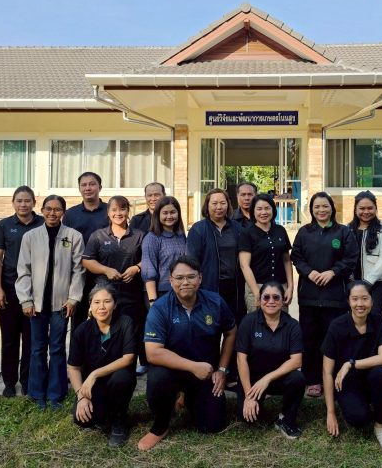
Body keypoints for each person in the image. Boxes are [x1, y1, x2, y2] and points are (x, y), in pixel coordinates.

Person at [139, 256, 236, 451]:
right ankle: (160, 426)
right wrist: (193, 367)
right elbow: (153, 353)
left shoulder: (215, 302)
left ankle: (189, 397)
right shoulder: (160, 308)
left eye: (191, 277)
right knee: (158, 378)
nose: (185, 282)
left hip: (205, 372)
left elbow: (231, 332)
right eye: (179, 278)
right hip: (173, 371)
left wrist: (222, 369)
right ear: (171, 280)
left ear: (200, 278)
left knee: (212, 425)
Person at [16, 195, 85, 410]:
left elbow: (78, 270)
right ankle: (37, 393)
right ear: (42, 210)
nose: (52, 213)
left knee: (57, 348)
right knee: (37, 348)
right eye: (48, 209)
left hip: (61, 305)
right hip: (36, 305)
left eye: (57, 209)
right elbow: (23, 270)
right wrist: (26, 299)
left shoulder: (73, 236)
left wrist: (73, 298)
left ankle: (56, 394)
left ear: (63, 212)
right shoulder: (30, 236)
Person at [290, 191, 357, 397]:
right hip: (309, 296)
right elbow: (296, 257)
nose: (321, 210)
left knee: (334, 339)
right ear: (311, 210)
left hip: (335, 297)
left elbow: (351, 258)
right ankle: (313, 380)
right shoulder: (304, 232)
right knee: (310, 339)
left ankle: (336, 379)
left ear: (332, 208)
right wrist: (309, 272)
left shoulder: (343, 232)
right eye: (317, 206)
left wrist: (333, 272)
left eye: (325, 206)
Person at [321, 281, 382, 455]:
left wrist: (351, 363)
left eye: (365, 298)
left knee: (381, 373)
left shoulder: (379, 320)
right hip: (347, 383)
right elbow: (327, 372)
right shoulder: (337, 326)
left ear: (372, 300)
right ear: (348, 301)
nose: (360, 304)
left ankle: (381, 428)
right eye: (355, 299)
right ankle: (362, 407)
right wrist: (330, 412)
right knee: (359, 419)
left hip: (371, 378)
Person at [0, 186, 44, 397]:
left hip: (35, 291)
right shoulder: (4, 226)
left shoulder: (43, 223)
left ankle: (27, 380)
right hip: (9, 291)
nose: (23, 204)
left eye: (27, 200)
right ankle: (9, 382)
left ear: (34, 203)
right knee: (10, 339)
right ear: (13, 203)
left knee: (31, 339)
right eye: (19, 201)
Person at [82, 195, 146, 373]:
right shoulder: (98, 236)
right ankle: (100, 373)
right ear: (108, 213)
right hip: (105, 295)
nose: (118, 213)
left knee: (129, 336)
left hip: (131, 297)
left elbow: (149, 258)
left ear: (128, 211)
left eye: (122, 209)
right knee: (104, 335)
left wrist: (136, 268)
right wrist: (106, 270)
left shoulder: (139, 235)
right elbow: (87, 261)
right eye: (114, 210)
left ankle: (126, 376)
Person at [67, 285, 137, 447]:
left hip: (117, 380)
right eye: (97, 302)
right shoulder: (82, 330)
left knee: (122, 377)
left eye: (107, 301)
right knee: (83, 420)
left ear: (115, 304)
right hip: (93, 386)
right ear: (90, 305)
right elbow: (73, 367)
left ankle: (119, 421)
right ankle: (105, 412)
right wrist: (81, 396)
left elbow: (128, 358)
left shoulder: (125, 322)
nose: (102, 307)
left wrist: (94, 374)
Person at [236, 281, 304, 439]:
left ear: (283, 300)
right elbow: (241, 360)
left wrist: (267, 379)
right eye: (266, 297)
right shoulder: (248, 322)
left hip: (278, 378)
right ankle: (256, 402)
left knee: (298, 378)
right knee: (249, 420)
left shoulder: (292, 325)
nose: (271, 301)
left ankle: (285, 418)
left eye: (276, 297)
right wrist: (249, 396)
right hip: (253, 380)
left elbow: (296, 361)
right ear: (259, 300)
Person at [63, 172, 109, 343]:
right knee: (78, 320)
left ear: (100, 187)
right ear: (79, 188)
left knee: (105, 317)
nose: (88, 188)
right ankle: (77, 356)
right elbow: (65, 242)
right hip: (78, 273)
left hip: (104, 273)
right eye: (84, 185)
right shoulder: (71, 214)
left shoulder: (109, 211)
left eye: (92, 184)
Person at [186, 188, 245, 320]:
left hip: (234, 286)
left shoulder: (237, 228)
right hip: (208, 285)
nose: (219, 207)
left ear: (228, 205)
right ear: (207, 206)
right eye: (214, 203)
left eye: (223, 203)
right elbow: (191, 261)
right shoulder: (199, 229)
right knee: (210, 325)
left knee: (234, 324)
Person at [238, 193, 294, 312]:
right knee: (258, 322)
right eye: (259, 209)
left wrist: (290, 287)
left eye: (267, 208)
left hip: (280, 287)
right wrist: (256, 292)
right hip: (257, 287)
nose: (263, 212)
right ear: (253, 211)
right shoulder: (247, 233)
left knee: (281, 321)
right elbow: (244, 265)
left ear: (273, 210)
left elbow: (286, 260)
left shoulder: (280, 230)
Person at [347, 190, 382, 315]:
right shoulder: (347, 229)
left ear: (375, 209)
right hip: (352, 283)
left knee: (374, 318)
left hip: (378, 284)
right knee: (354, 319)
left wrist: (368, 281)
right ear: (355, 209)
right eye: (362, 208)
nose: (366, 212)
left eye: (370, 208)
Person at [142, 195, 186, 305]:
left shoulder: (181, 236)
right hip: (161, 293)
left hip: (181, 291)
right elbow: (149, 272)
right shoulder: (152, 238)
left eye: (173, 212)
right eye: (165, 213)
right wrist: (153, 302)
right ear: (158, 215)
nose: (169, 216)